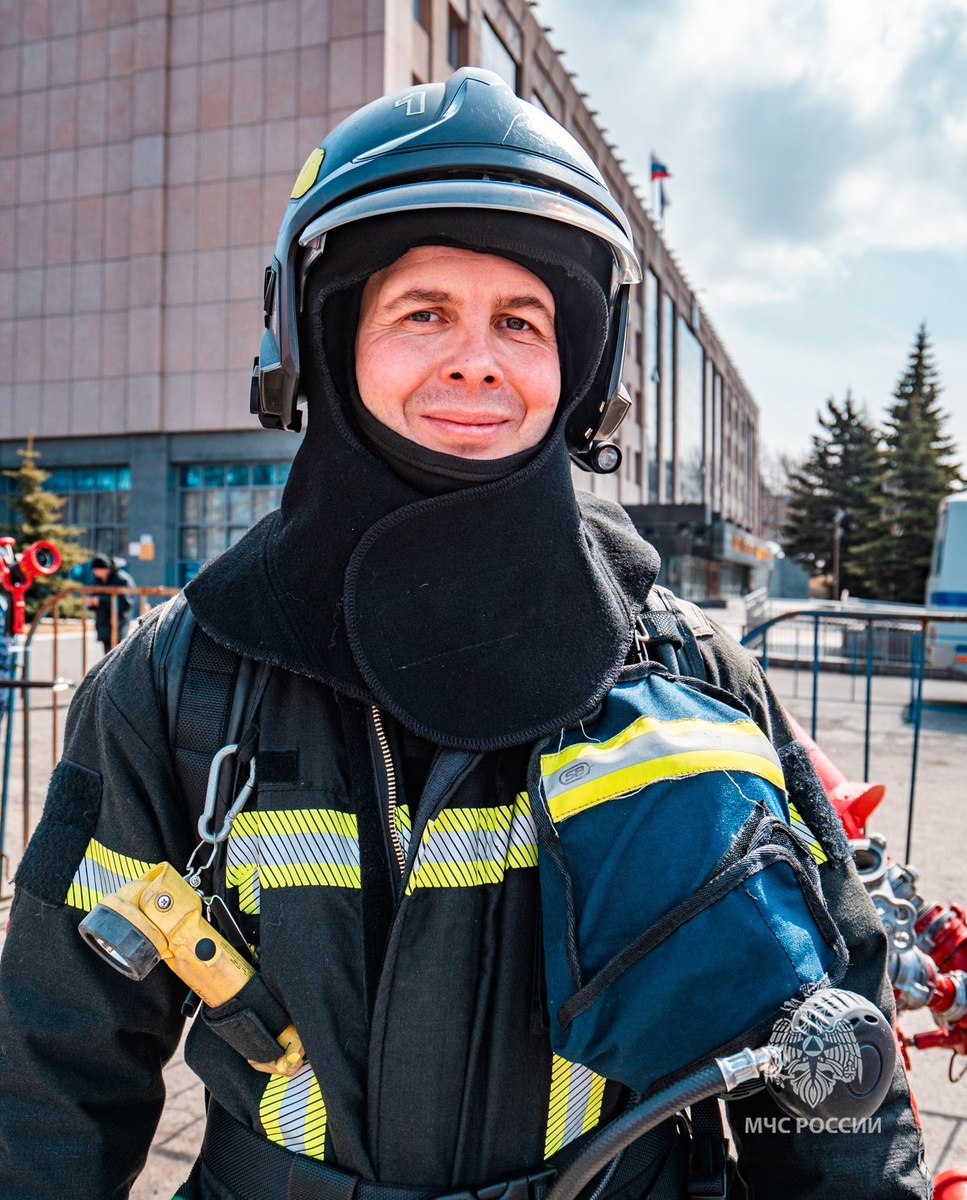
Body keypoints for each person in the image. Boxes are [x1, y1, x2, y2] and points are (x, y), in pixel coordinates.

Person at [0, 68, 929, 1199]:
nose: (478, 358)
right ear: (320, 339)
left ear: (579, 366)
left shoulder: (692, 676)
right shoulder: (177, 682)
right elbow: (52, 1073)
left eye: (520, 321)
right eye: (423, 312)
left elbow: (823, 1061)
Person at [88, 551, 136, 654]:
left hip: (118, 623)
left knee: (118, 654)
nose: (94, 572)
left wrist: (101, 601)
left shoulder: (121, 579)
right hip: (103, 624)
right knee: (107, 656)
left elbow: (126, 603)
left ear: (104, 568)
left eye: (96, 570)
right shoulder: (98, 580)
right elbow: (94, 597)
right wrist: (92, 603)